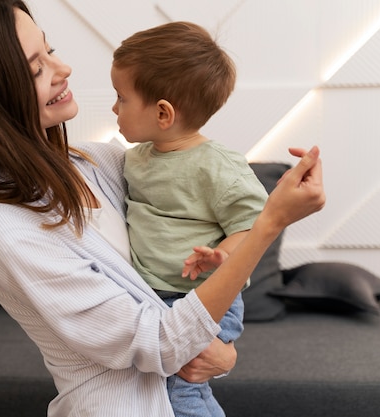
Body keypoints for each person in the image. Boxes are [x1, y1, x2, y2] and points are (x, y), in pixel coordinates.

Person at [0, 1, 325, 416]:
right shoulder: (2, 226)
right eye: (36, 68)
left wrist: (225, 352)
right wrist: (270, 223)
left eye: (50, 50)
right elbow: (161, 343)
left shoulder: (99, 163)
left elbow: (191, 219)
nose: (64, 69)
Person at [112, 22, 269, 416]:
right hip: (155, 299)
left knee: (181, 396)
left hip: (202, 298)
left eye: (121, 98)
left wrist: (224, 256)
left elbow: (254, 224)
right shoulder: (132, 159)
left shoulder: (217, 167)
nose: (114, 108)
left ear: (163, 113)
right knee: (158, 396)